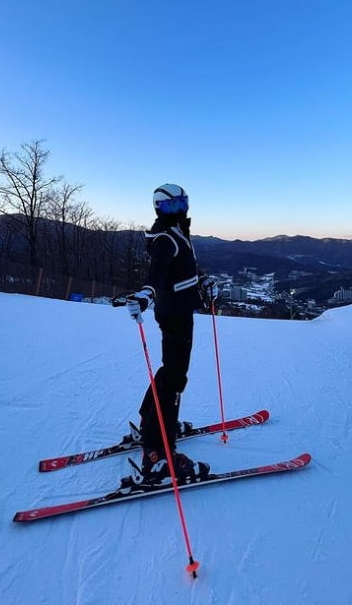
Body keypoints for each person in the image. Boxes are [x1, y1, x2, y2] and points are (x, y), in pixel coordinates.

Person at [126, 183, 219, 484]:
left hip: (178, 310)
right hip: (175, 313)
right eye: (170, 206)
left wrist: (203, 281)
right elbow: (158, 271)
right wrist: (146, 293)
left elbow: (186, 266)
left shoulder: (178, 231)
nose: (178, 210)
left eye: (181, 203)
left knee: (169, 371)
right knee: (176, 378)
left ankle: (148, 421)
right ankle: (157, 454)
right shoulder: (166, 237)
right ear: (158, 208)